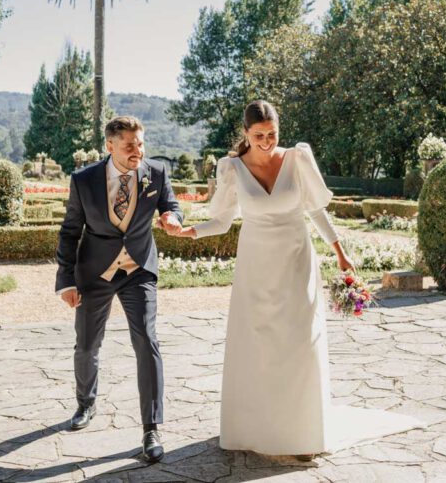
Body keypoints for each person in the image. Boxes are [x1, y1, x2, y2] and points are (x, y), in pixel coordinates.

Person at [166, 101, 420, 458]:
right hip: (256, 267)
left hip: (297, 261)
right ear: (246, 134)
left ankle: (303, 433)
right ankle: (255, 429)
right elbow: (222, 222)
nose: (268, 141)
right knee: (258, 344)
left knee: (300, 341)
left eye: (272, 134)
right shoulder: (232, 169)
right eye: (259, 136)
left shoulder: (297, 159)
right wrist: (186, 232)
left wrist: (340, 251)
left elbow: (315, 209)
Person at [55, 116, 183, 463]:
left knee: (147, 339)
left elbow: (170, 205)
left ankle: (151, 427)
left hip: (138, 269)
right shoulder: (84, 181)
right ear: (109, 145)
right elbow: (69, 232)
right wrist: (66, 280)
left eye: (140, 143)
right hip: (95, 273)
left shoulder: (155, 173)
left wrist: (172, 218)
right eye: (129, 145)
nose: (137, 151)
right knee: (87, 342)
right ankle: (86, 403)